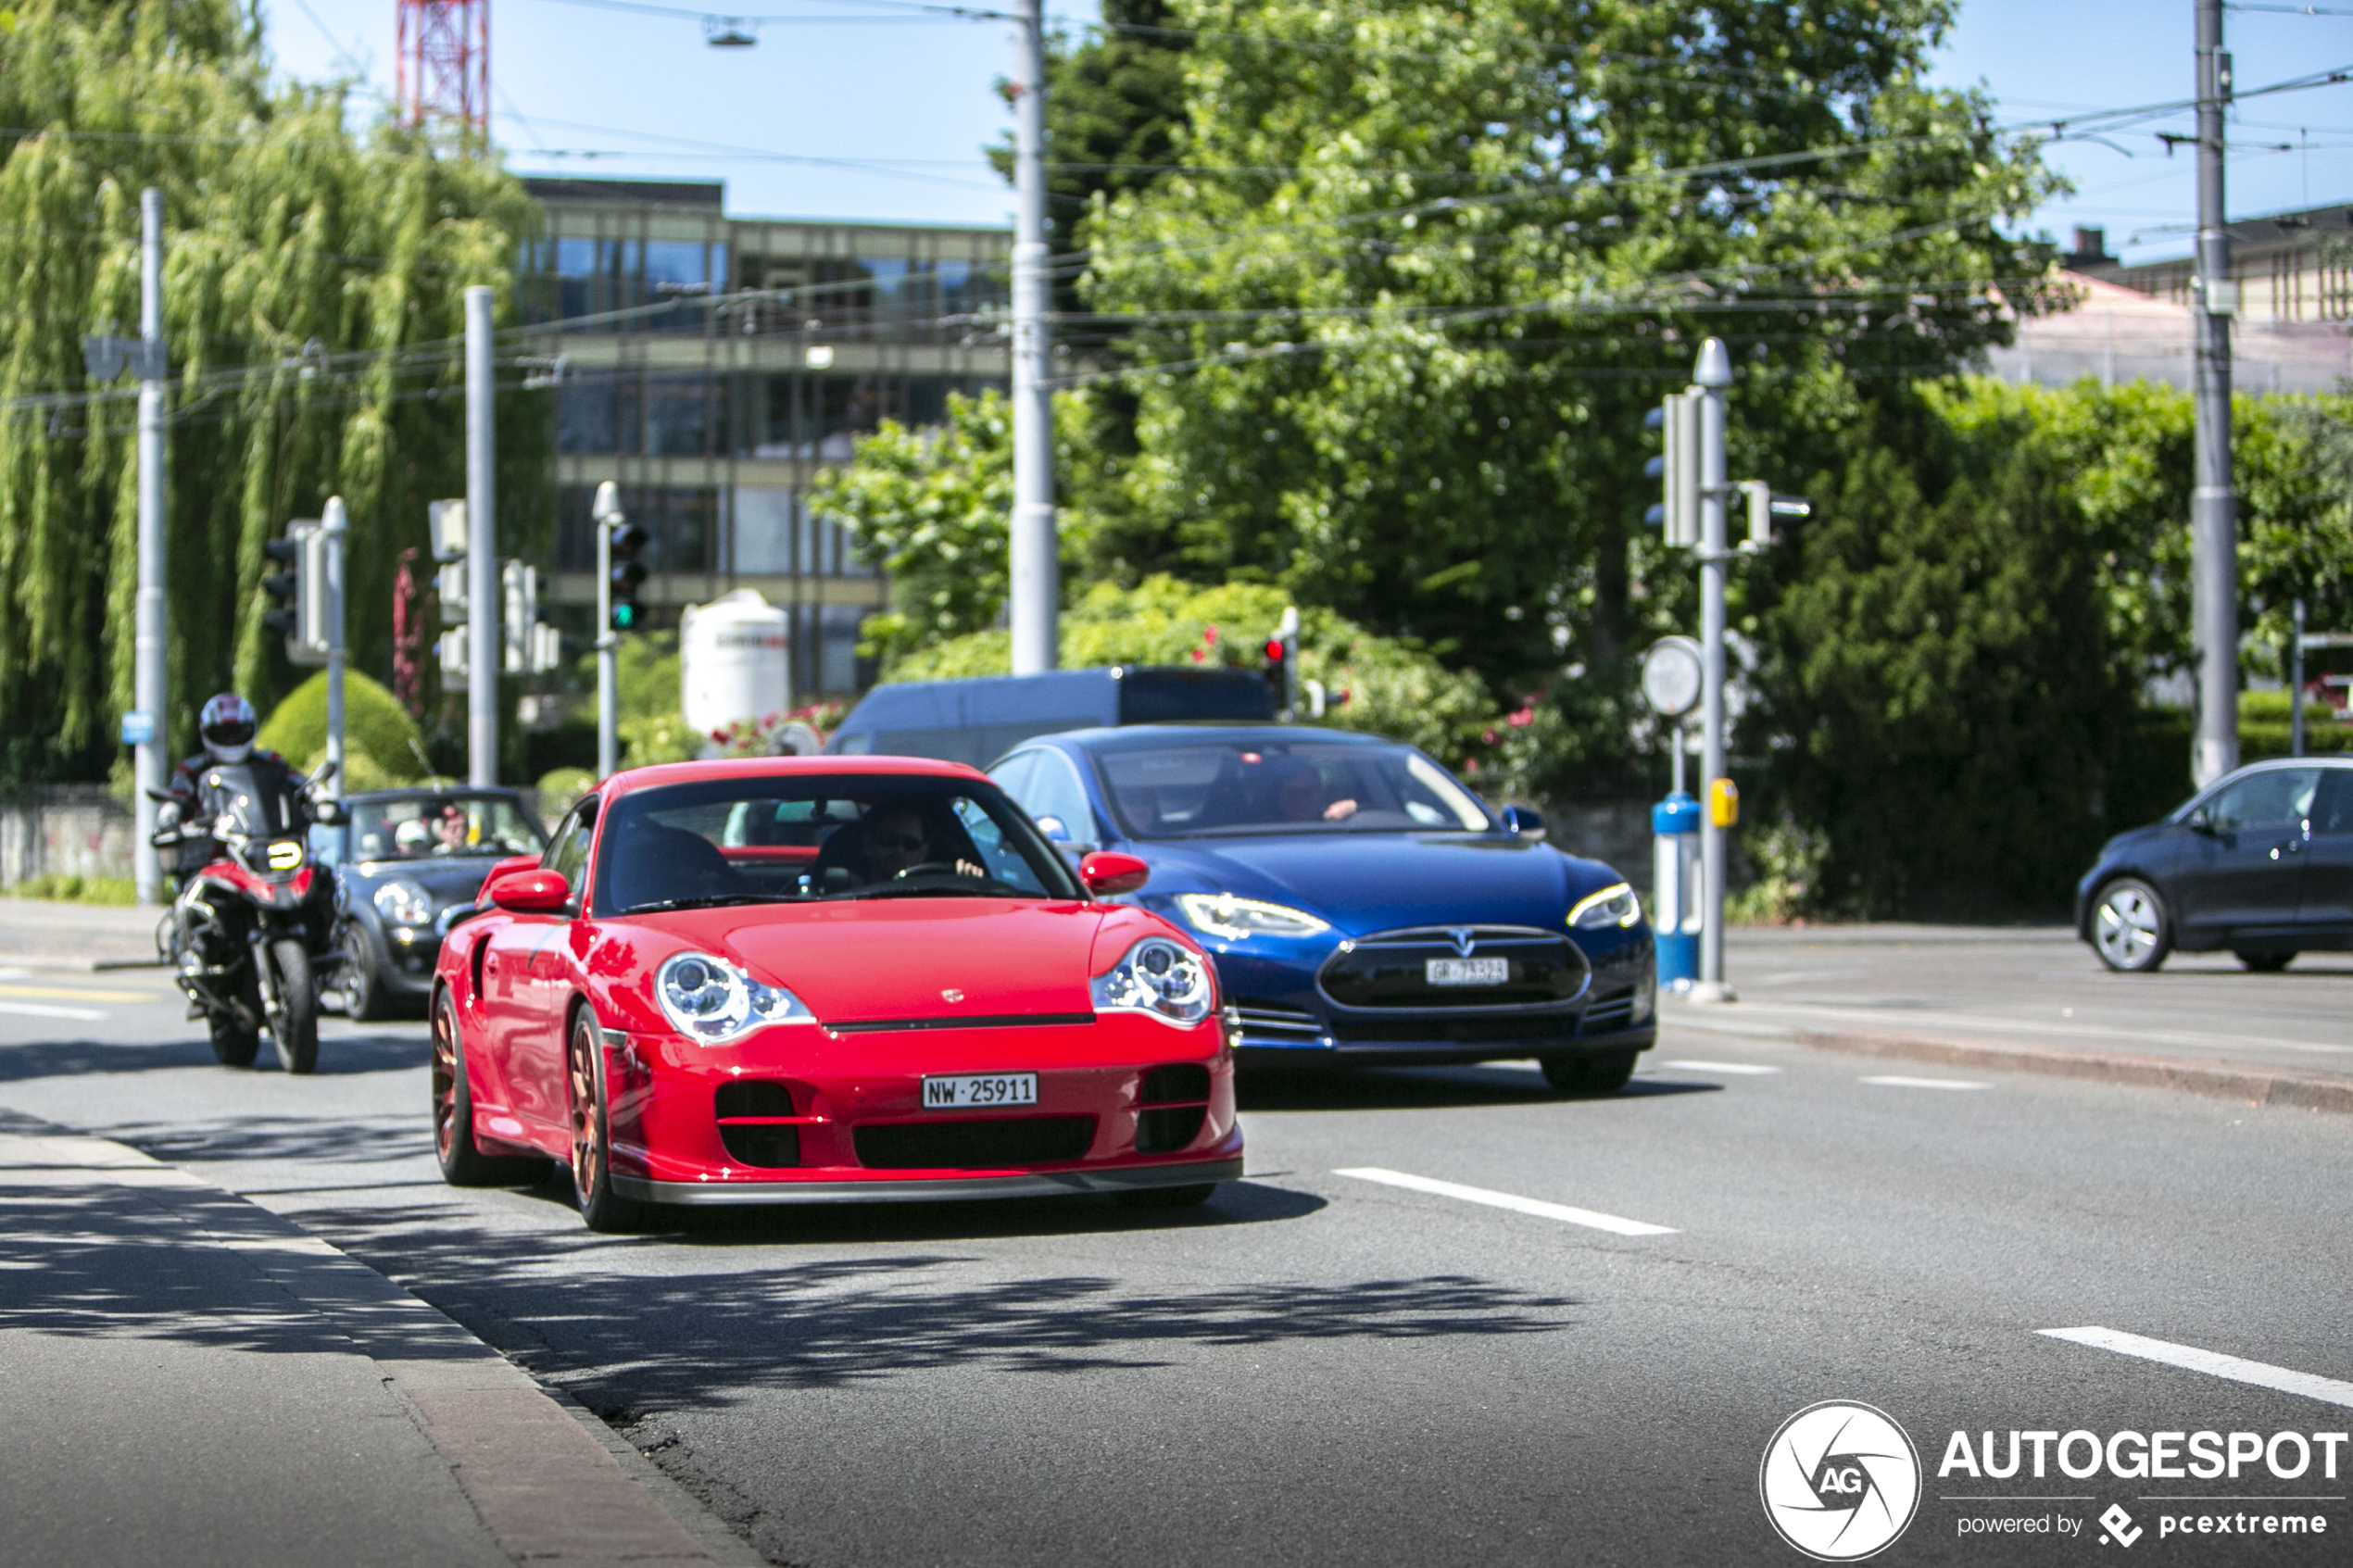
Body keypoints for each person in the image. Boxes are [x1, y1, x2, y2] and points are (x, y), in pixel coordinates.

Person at [861, 803, 983, 883]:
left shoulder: (941, 896)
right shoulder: (847, 897)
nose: (899, 850)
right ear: (868, 844)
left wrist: (969, 880)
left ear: (924, 851)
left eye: (911, 844)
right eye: (888, 841)